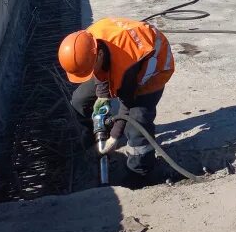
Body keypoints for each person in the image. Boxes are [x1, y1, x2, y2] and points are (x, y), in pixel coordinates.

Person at [58, 17, 175, 180]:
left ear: (97, 56)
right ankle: (96, 141)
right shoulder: (88, 40)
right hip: (119, 57)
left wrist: (114, 136)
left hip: (152, 67)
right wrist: (102, 95)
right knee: (80, 100)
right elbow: (101, 70)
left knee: (137, 124)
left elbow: (126, 105)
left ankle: (140, 171)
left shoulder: (125, 66)